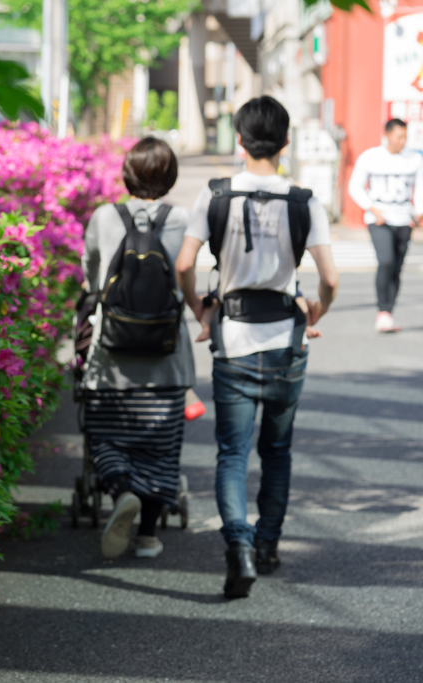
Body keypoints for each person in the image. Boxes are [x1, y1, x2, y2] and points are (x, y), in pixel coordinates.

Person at [176, 96, 339, 599]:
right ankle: (267, 546)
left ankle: (238, 547)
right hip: (286, 338)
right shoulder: (304, 200)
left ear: (240, 141)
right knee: (278, 451)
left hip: (233, 339)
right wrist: (317, 310)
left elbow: (185, 265)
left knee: (231, 453)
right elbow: (330, 278)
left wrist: (199, 309)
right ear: (285, 142)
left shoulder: (214, 196)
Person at [82, 136, 196, 560]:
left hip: (111, 356)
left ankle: (121, 491)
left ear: (127, 174)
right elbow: (188, 276)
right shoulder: (183, 219)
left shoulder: (104, 217)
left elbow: (91, 280)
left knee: (104, 437)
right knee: (161, 447)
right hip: (167, 358)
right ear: (170, 176)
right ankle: (148, 535)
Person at [347, 118, 423, 333]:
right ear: (388, 135)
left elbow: (420, 187)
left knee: (397, 267)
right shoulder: (370, 157)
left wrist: (418, 212)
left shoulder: (414, 159)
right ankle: (382, 311)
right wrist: (371, 208)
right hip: (379, 217)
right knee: (386, 261)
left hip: (404, 217)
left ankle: (389, 311)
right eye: (398, 136)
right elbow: (355, 186)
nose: (402, 141)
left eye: (405, 136)